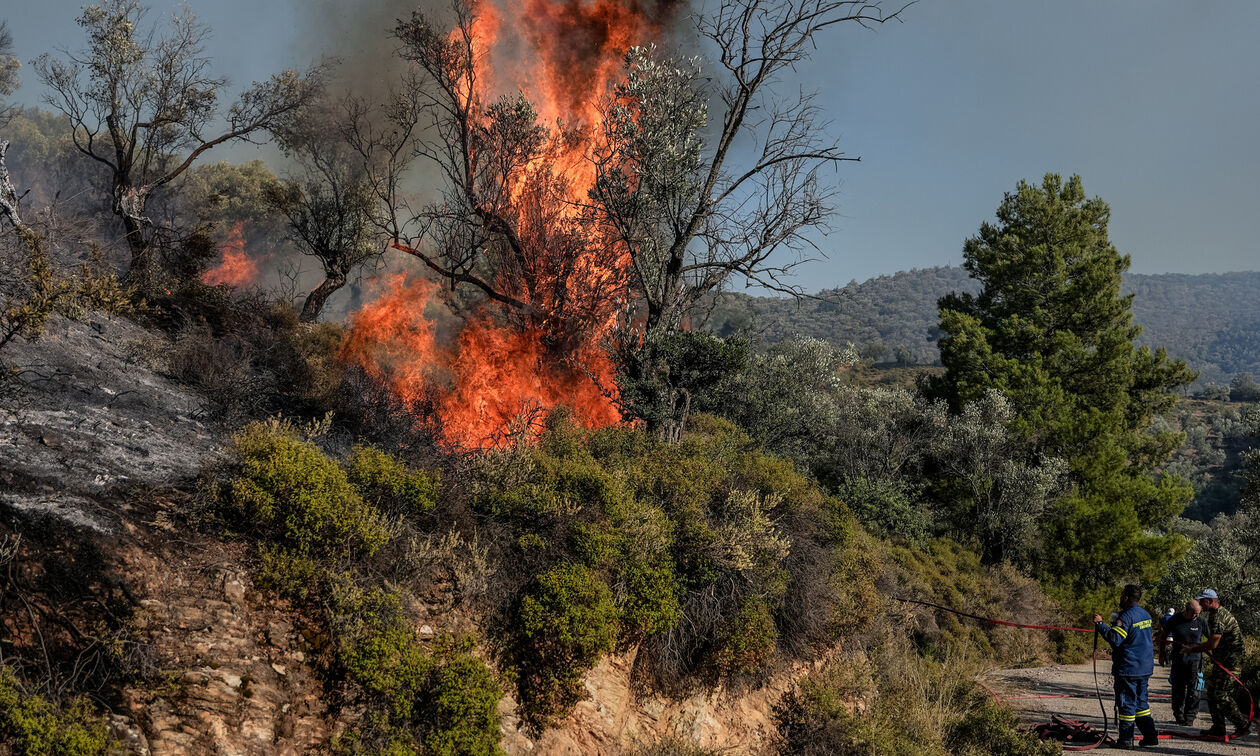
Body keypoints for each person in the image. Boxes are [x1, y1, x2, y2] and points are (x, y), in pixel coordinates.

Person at [1094, 584, 1159, 748]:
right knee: (1141, 704)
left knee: (1126, 703)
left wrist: (1101, 625)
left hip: (1129, 668)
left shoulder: (1126, 616)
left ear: (1126, 597)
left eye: (1122, 595)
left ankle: (1125, 740)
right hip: (1144, 667)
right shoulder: (1145, 614)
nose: (1120, 598)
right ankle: (1150, 736)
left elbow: (1115, 639)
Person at [1183, 588, 1250, 738]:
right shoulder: (1215, 615)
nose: (1200, 604)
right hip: (1222, 661)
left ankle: (1242, 725)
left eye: (1203, 601)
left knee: (1221, 694)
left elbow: (1213, 643)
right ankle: (1218, 727)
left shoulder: (1219, 617)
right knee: (1212, 693)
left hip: (1232, 662)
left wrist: (1192, 650)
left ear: (1211, 601)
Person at [1156, 599, 1208, 726]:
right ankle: (1178, 715)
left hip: (1195, 661)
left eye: (1198, 613)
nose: (1196, 615)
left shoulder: (1201, 621)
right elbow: (1163, 637)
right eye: (1194, 613)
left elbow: (1212, 638)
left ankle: (1190, 716)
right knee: (1178, 689)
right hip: (1179, 660)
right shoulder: (1175, 620)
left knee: (1194, 689)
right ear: (1187, 609)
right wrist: (1161, 654)